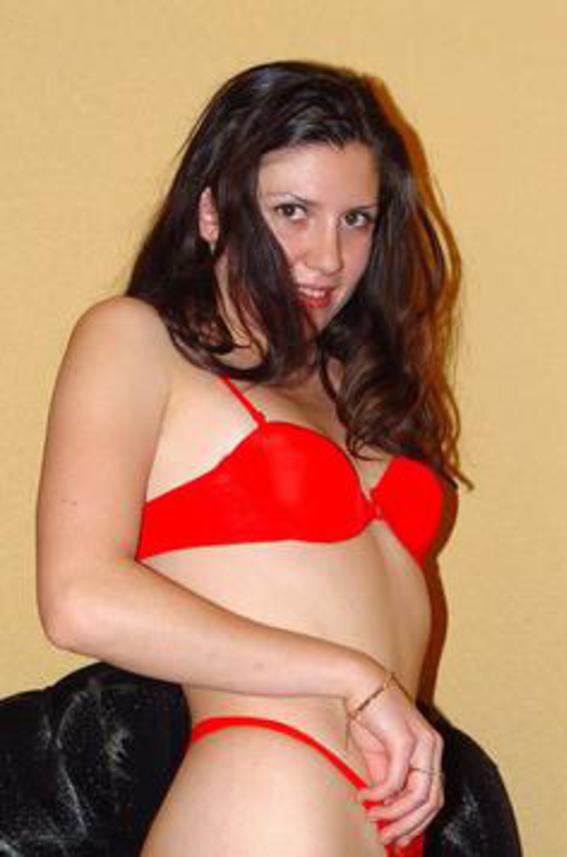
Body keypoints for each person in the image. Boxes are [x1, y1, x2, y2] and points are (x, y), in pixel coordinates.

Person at [36, 60, 465, 856]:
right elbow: (79, 598)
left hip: (391, 821)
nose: (328, 257)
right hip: (269, 791)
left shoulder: (356, 384)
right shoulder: (138, 339)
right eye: (293, 212)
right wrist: (351, 675)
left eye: (357, 219)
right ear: (212, 213)